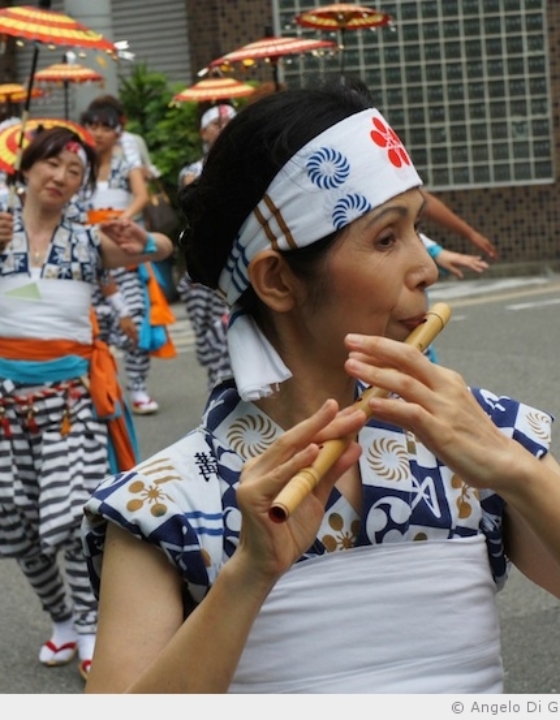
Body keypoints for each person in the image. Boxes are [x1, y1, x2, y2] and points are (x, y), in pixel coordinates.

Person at [82, 84, 560, 694]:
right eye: (387, 239)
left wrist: (516, 469)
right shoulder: (164, 502)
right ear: (277, 278)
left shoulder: (478, 434)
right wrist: (247, 576)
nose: (428, 268)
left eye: (418, 228)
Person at [0, 127, 173, 681]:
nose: (62, 177)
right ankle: (62, 621)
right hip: (6, 407)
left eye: (74, 172)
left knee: (76, 518)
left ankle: (93, 622)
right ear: (25, 169)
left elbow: (162, 248)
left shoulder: (85, 239)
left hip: (70, 403)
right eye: (51, 165)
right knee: (17, 523)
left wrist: (138, 236)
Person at [81, 98, 176, 415]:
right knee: (95, 325)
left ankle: (137, 388)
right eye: (92, 125)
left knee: (135, 320)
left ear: (118, 131)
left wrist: (123, 217)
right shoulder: (79, 167)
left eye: (105, 127)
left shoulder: (126, 166)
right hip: (87, 254)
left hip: (123, 249)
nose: (98, 132)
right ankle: (99, 385)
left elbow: (141, 196)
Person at [176, 102, 236, 389]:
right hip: (203, 262)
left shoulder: (243, 163)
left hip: (235, 257)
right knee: (205, 331)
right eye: (217, 125)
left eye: (230, 123)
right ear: (203, 132)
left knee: (231, 323)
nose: (223, 129)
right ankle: (216, 374)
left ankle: (227, 381)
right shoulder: (193, 171)